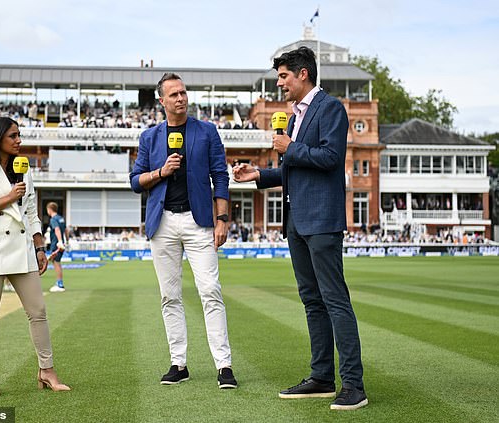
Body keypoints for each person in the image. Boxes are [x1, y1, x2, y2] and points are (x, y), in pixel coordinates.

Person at [233, 47, 367, 410]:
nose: (280, 83)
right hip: (296, 221)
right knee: (312, 301)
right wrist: (258, 175)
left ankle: (354, 385)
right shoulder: (294, 117)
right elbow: (294, 169)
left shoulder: (331, 108)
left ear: (303, 74)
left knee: (335, 300)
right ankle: (322, 377)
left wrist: (290, 148)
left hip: (322, 221)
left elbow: (330, 159)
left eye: (283, 77)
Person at [129, 73, 237, 389]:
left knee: (210, 291)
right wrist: (161, 172)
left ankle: (224, 366)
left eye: (183, 92)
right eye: (174, 94)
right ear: (162, 101)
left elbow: (220, 176)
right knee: (169, 296)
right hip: (162, 223)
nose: (181, 98)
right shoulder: (150, 137)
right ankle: (179, 363)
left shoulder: (207, 132)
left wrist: (223, 218)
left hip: (199, 221)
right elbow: (136, 181)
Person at [0, 116, 70, 398]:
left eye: (19, 135)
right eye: (13, 136)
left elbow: (32, 214)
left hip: (22, 251)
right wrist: (7, 199)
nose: (19, 140)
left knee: (38, 311)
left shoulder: (25, 170)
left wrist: (39, 247)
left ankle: (46, 371)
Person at [46, 202, 67, 292]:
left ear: (49, 209)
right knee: (56, 262)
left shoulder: (53, 219)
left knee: (56, 263)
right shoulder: (61, 218)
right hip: (61, 243)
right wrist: (67, 241)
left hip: (56, 243)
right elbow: (66, 230)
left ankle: (60, 284)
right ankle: (59, 283)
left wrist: (59, 241)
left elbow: (57, 229)